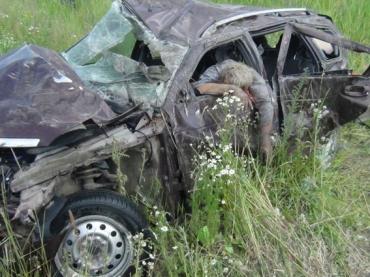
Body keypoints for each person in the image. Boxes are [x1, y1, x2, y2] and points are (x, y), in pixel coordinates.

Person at [194, 59, 274, 158]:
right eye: (243, 89)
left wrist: (265, 139)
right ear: (222, 82)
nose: (247, 93)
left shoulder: (253, 76)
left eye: (247, 88)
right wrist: (231, 89)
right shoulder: (214, 73)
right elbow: (198, 88)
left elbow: (265, 104)